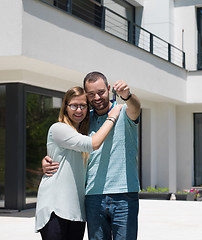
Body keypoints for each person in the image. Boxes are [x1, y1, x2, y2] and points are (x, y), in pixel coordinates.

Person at [42, 72, 141, 240]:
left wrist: (128, 96)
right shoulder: (84, 121)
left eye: (101, 92)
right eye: (91, 94)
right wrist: (47, 159)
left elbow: (136, 107)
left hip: (124, 194)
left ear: (109, 89)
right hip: (92, 196)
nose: (97, 97)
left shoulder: (123, 111)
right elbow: (68, 144)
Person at [36, 86, 122, 240]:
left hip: (76, 212)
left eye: (83, 105)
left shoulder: (83, 134)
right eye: (74, 105)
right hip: (56, 208)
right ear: (65, 107)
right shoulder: (58, 128)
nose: (78, 110)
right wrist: (112, 116)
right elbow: (94, 143)